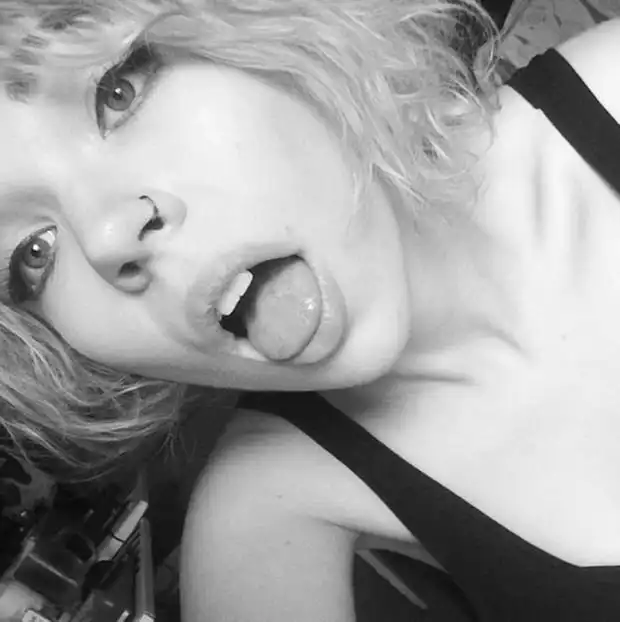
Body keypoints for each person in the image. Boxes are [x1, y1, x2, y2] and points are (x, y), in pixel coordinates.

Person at [0, 0, 618, 620]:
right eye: (33, 254)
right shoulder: (260, 515)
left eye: (117, 91)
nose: (106, 237)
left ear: (259, 25)